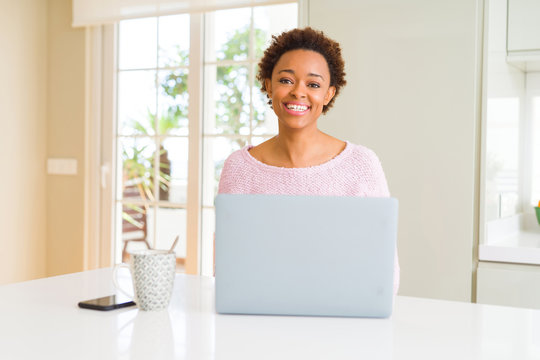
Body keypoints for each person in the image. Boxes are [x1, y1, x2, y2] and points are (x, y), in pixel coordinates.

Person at [217, 27, 399, 294]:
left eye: (313, 84)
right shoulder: (239, 168)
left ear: (328, 94)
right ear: (268, 85)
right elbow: (226, 265)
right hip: (259, 317)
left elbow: (386, 270)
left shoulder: (362, 164)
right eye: (286, 80)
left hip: (342, 316)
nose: (298, 92)